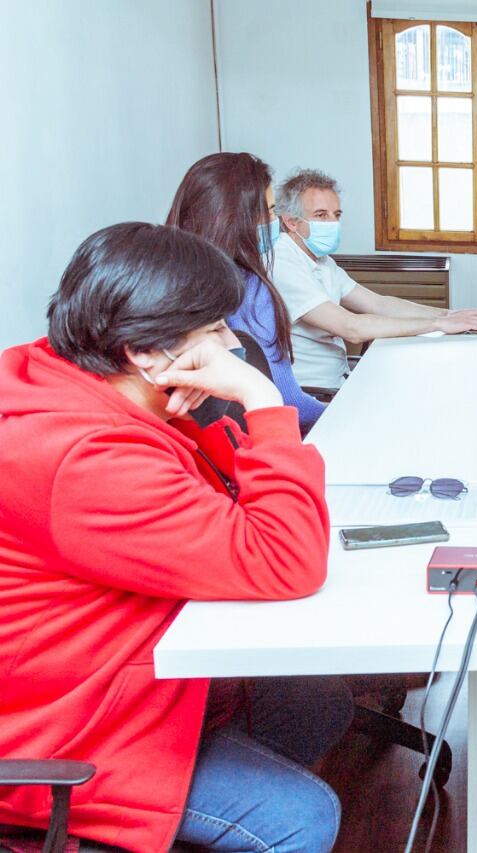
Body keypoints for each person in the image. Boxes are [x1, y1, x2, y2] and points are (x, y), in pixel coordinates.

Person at [0, 223, 352, 852]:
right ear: (144, 350)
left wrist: (213, 412)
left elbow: (220, 497)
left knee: (316, 700)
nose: (230, 345)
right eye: (215, 329)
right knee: (301, 817)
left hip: (118, 666)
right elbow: (284, 560)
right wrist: (262, 400)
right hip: (69, 727)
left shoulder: (81, 381)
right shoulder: (84, 458)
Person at [272, 168, 477, 391]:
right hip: (313, 391)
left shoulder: (321, 260)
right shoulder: (282, 261)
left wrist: (448, 314)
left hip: (339, 377)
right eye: (321, 215)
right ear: (291, 222)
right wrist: (438, 324)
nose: (332, 223)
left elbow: (378, 303)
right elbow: (351, 328)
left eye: (336, 215)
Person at [166, 151, 327, 431]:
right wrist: (345, 415)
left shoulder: (162, 277)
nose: (274, 220)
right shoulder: (250, 288)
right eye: (270, 210)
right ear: (236, 218)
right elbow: (287, 403)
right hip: (257, 439)